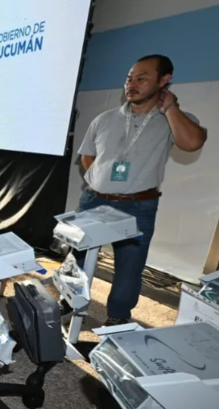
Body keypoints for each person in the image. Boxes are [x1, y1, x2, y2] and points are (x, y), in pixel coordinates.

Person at [78, 54, 206, 325]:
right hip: (94, 201)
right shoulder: (105, 118)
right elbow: (87, 155)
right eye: (129, 78)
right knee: (78, 258)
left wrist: (170, 108)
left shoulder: (173, 119)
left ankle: (117, 318)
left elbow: (192, 143)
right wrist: (98, 181)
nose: (132, 84)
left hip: (137, 205)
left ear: (164, 80)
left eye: (141, 78)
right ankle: (70, 304)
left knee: (130, 266)